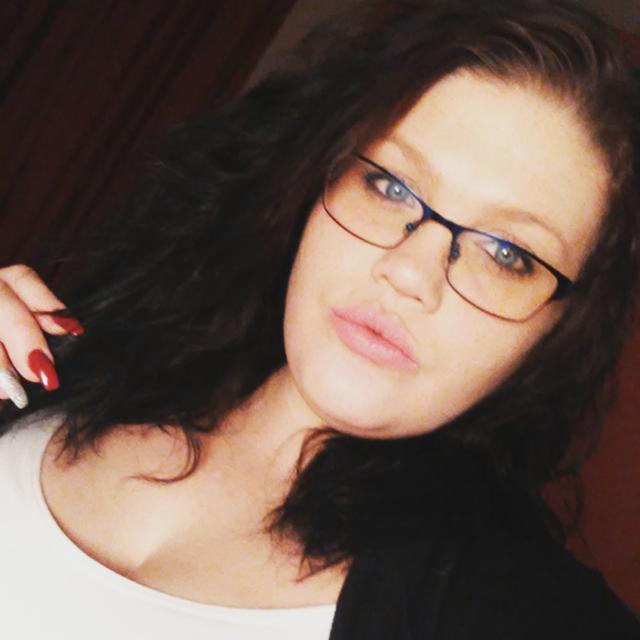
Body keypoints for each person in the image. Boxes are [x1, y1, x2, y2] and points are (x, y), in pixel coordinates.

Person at [0, 0, 638, 637]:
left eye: (506, 254)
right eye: (391, 186)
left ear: (562, 330)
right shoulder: (73, 360)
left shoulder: (527, 613)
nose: (408, 273)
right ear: (315, 178)